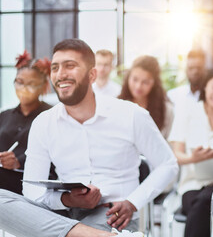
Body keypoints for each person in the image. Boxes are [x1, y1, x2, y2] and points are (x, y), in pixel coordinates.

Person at [0, 39, 178, 237]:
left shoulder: (131, 115)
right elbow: (31, 190)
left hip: (112, 214)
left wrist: (132, 203)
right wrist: (69, 200)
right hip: (60, 213)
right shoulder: (44, 123)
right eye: (55, 68)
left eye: (70, 66)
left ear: (92, 74)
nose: (60, 74)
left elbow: (168, 165)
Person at [169, 63, 213, 237]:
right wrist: (193, 158)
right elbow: (175, 155)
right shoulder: (187, 112)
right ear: (206, 85)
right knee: (205, 203)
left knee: (209, 200)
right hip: (191, 186)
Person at [0, 50, 55, 195]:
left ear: (43, 86)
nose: (24, 89)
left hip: (30, 189)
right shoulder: (4, 116)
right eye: (20, 82)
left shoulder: (52, 116)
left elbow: (57, 163)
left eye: (32, 84)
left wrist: (19, 163)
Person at [119, 55, 173, 139]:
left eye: (145, 82)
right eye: (135, 79)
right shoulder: (118, 104)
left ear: (154, 83)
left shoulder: (166, 110)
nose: (138, 86)